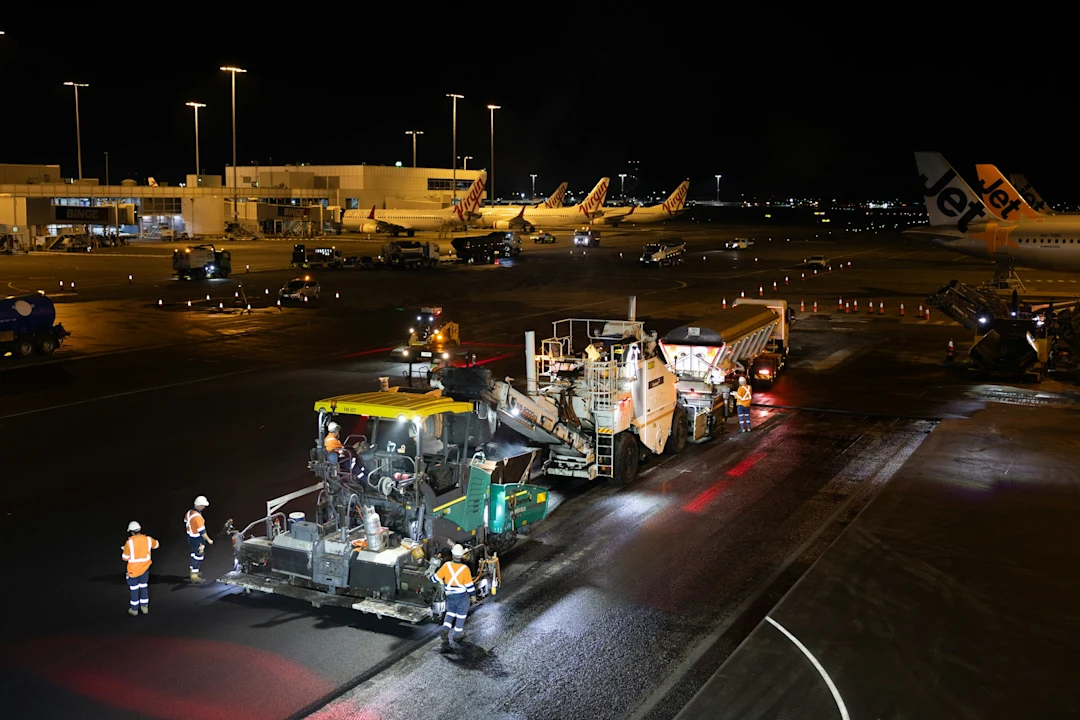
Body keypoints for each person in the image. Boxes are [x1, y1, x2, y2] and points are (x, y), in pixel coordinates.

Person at [432, 544, 476, 646]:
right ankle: (457, 635)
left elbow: (435, 578)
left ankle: (445, 629)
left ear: (452, 555)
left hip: (449, 596)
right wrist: (473, 595)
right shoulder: (465, 569)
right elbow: (469, 586)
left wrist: (430, 576)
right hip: (461, 597)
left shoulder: (446, 565)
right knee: (461, 615)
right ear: (461, 556)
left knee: (450, 613)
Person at [122, 521, 160, 616]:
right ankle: (144, 607)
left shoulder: (129, 543)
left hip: (133, 571)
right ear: (139, 529)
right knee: (144, 587)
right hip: (144, 569)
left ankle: (134, 609)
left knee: (134, 589)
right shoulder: (148, 539)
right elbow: (156, 545)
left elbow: (125, 558)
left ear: (131, 532)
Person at [184, 496, 214, 583]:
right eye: (203, 506)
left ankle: (193, 571)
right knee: (198, 556)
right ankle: (194, 576)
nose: (204, 507)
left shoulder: (189, 513)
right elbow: (202, 532)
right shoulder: (197, 517)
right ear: (199, 506)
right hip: (197, 539)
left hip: (190, 537)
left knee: (193, 554)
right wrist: (209, 540)